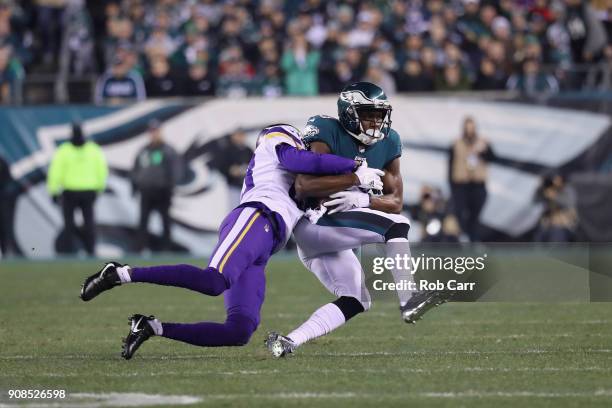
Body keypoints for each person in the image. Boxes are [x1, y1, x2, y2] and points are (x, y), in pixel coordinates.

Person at [79, 124, 384, 359]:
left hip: (267, 244)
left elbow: (319, 196)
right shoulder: (278, 139)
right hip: (255, 218)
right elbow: (302, 159)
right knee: (214, 281)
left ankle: (151, 327)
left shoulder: (303, 177)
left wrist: (356, 195)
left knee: (239, 330)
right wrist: (354, 168)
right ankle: (119, 274)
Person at [266, 82, 451, 358]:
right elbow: (304, 185)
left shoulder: (390, 142)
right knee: (396, 227)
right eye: (368, 114)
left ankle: (287, 342)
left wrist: (365, 200)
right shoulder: (325, 129)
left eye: (379, 115)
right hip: (315, 221)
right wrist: (352, 180)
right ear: (348, 113)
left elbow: (395, 201)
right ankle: (409, 298)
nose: (376, 122)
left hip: (333, 236)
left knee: (358, 300)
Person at [47, 122, 108, 256]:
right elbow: (102, 171)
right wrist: (99, 188)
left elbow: (55, 171)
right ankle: (89, 250)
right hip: (86, 191)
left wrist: (53, 191)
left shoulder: (65, 150)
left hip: (71, 191)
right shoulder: (93, 149)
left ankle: (71, 251)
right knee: (87, 223)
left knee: (71, 224)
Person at [131, 120, 180, 252]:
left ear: (161, 132)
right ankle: (140, 248)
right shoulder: (144, 151)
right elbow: (136, 169)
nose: (154, 134)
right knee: (143, 221)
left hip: (162, 191)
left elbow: (175, 170)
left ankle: (166, 248)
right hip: (146, 191)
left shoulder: (168, 150)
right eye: (152, 132)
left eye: (156, 131)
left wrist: (170, 186)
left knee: (165, 221)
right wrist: (135, 185)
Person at [449, 116, 494, 242]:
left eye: (472, 128)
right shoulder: (456, 143)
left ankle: (473, 240)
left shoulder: (483, 143)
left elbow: (492, 158)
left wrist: (481, 152)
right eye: (467, 128)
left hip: (477, 185)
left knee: (474, 216)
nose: (469, 131)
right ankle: (464, 236)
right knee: (460, 213)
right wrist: (452, 186)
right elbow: (451, 165)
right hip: (461, 185)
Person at [209, 128, 254, 211]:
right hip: (234, 184)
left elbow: (256, 164)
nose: (240, 137)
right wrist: (230, 170)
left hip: (247, 185)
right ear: (233, 136)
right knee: (235, 209)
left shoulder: (248, 150)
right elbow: (221, 166)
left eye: (242, 135)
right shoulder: (227, 150)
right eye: (238, 135)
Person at [0, 152, 15, 256]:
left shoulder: (2, 162)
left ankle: (5, 252)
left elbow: (8, 180)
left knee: (4, 227)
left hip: (3, 199)